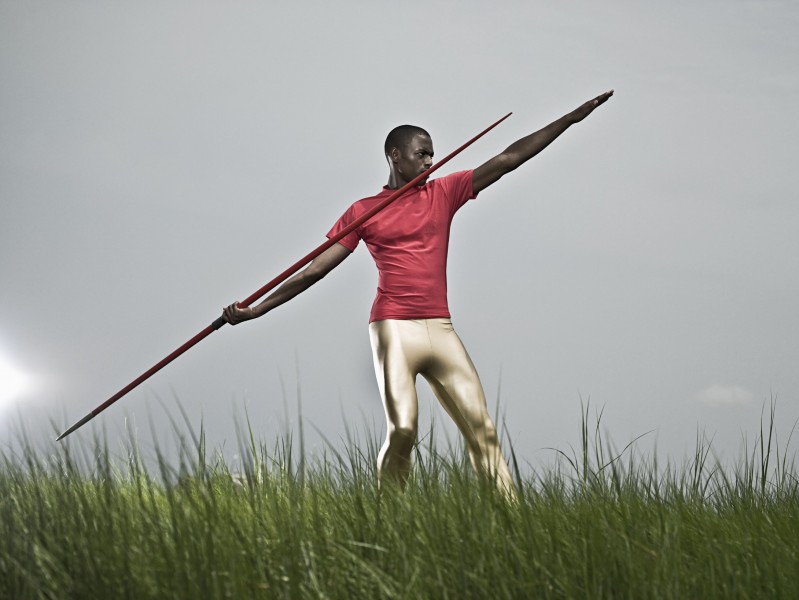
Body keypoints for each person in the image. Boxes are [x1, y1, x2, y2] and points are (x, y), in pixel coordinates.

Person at [223, 90, 613, 496]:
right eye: (421, 154)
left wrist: (569, 119)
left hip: (441, 330)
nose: (429, 161)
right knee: (404, 428)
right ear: (395, 155)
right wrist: (258, 310)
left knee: (483, 430)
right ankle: (388, 516)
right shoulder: (363, 211)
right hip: (393, 328)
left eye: (432, 155)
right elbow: (314, 271)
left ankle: (510, 522)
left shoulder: (444, 193)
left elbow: (507, 160)